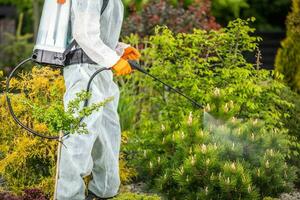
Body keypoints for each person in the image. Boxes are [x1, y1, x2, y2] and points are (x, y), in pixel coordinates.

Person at [56, 0, 140, 199]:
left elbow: (95, 31)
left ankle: (104, 191)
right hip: (82, 71)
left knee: (108, 131)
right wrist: (113, 60)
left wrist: (119, 49)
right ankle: (69, 196)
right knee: (80, 135)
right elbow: (83, 34)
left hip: (100, 71)